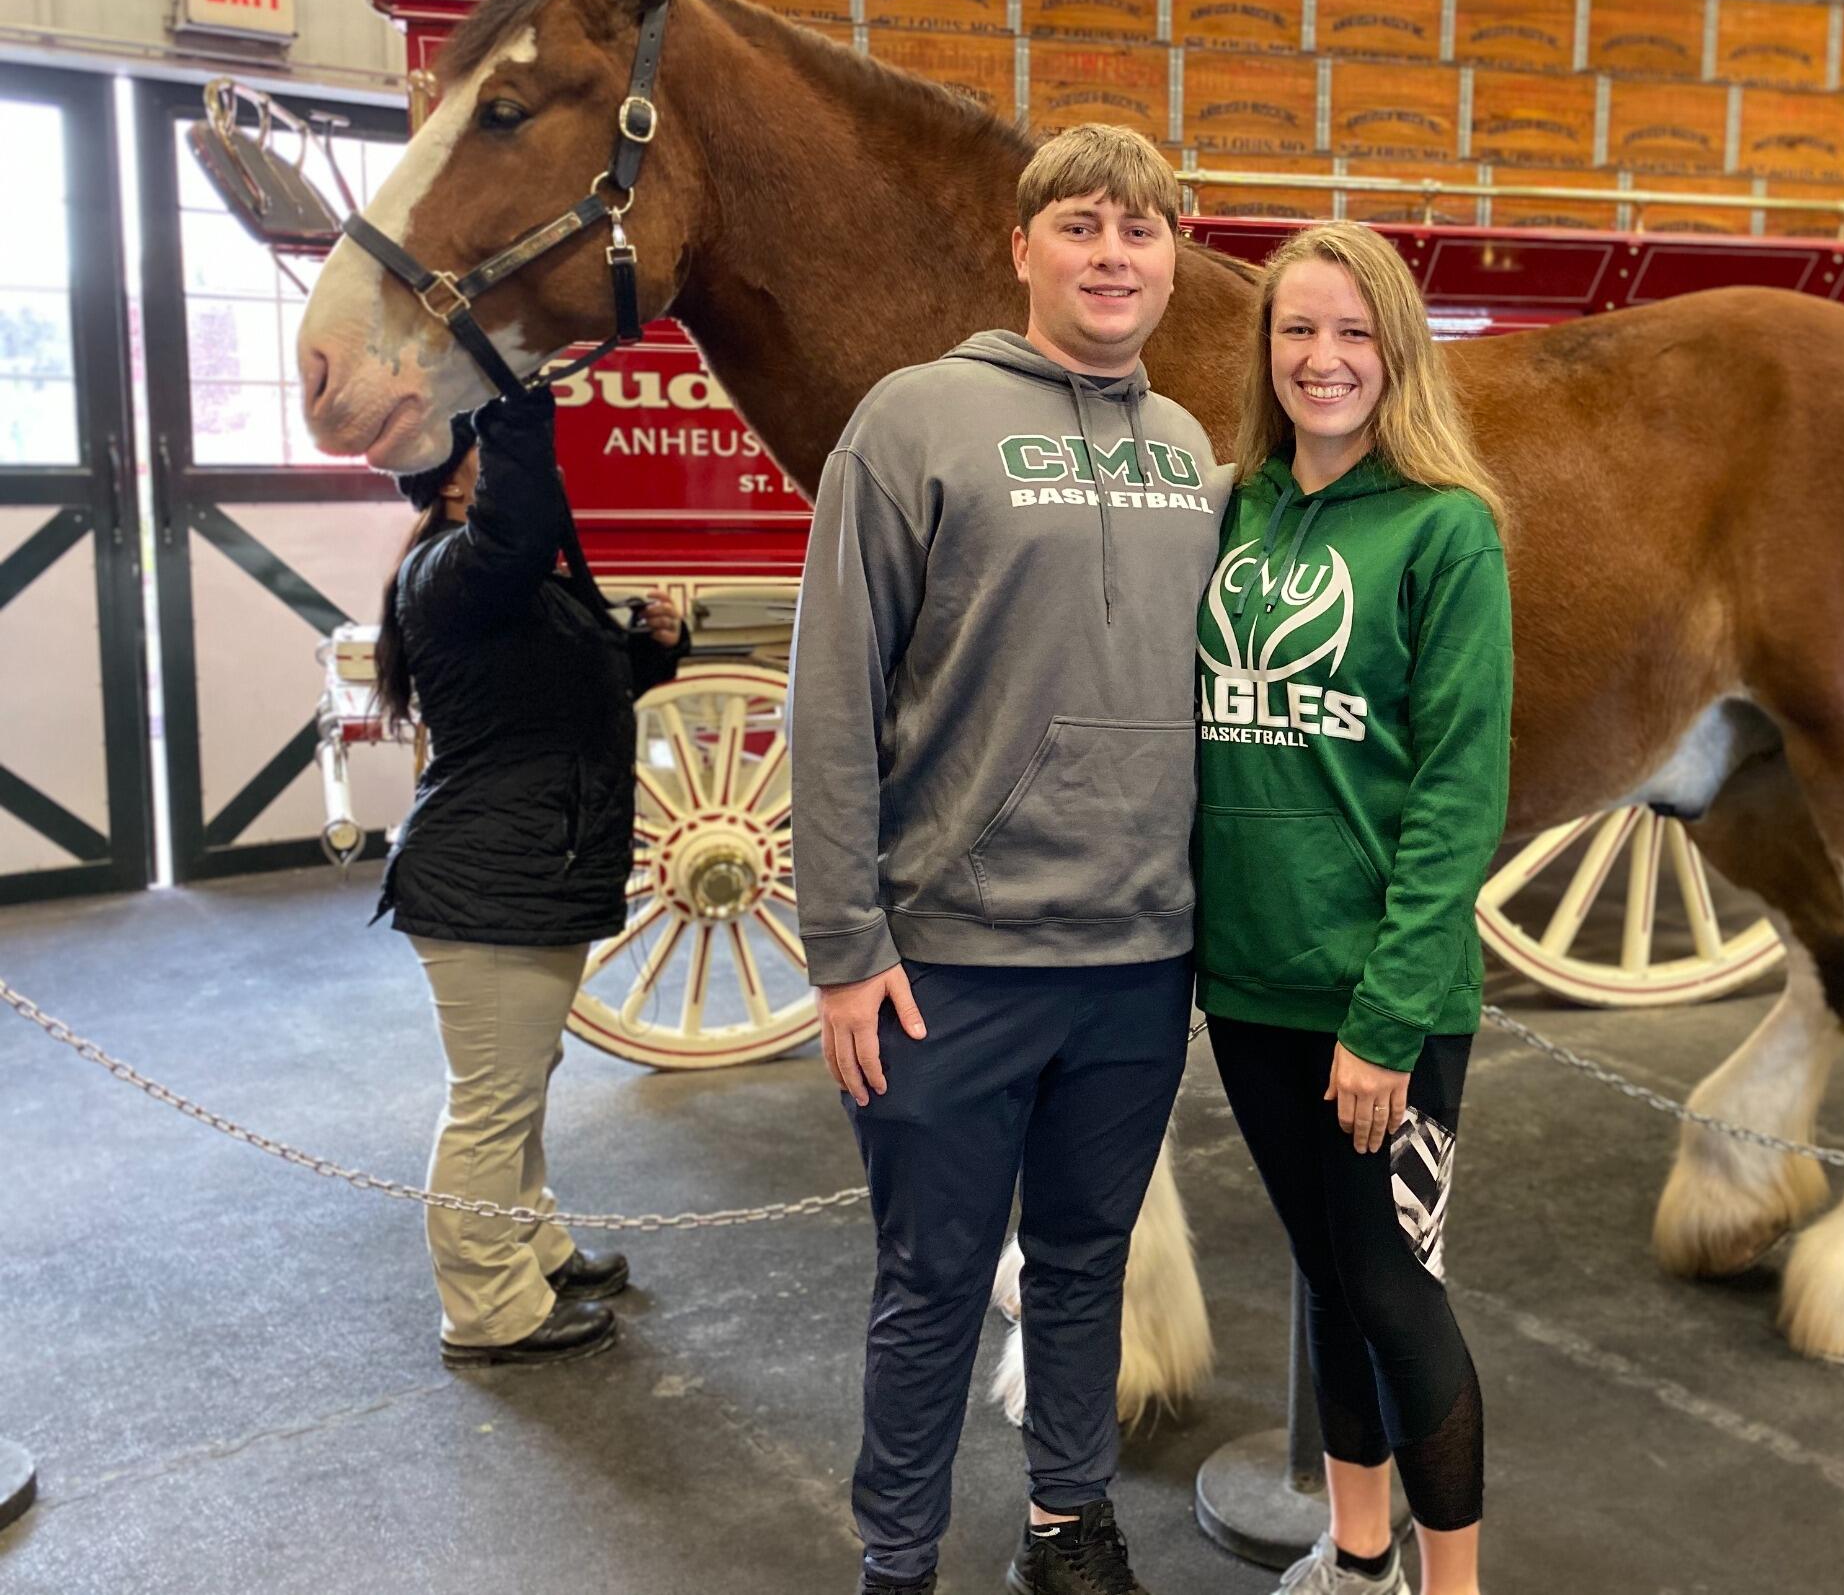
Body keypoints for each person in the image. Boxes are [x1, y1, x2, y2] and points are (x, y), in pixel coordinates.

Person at [790, 124, 1227, 1595]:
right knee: (926, 1285)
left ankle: (1067, 1523)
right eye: (1085, 226)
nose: (1115, 255)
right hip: (951, 962)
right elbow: (832, 696)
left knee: (1087, 1266)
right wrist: (845, 946)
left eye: (1144, 230)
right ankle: (898, 1555)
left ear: (1175, 256)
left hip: (1137, 957)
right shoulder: (913, 419)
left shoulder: (1186, 450)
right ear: (1024, 245)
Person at [1193, 222, 1513, 1595]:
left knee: (1393, 1292)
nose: (1322, 358)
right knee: (1326, 1275)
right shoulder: (1237, 509)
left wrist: (1385, 1021)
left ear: (1397, 354)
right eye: (1296, 331)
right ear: (1267, 352)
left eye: (1353, 333)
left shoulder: (1447, 529)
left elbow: (1456, 793)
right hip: (1252, 985)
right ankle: (1360, 1552)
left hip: (1381, 1001)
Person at [370, 386, 685, 1368]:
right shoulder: (457, 569)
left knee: (521, 1081)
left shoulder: (498, 581)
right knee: (493, 1099)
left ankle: (529, 1244)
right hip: (489, 882)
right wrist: (512, 395)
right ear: (461, 467)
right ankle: (487, 1308)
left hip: (518, 873)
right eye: (485, 447)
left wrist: (653, 652)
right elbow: (519, 532)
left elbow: (576, 696)